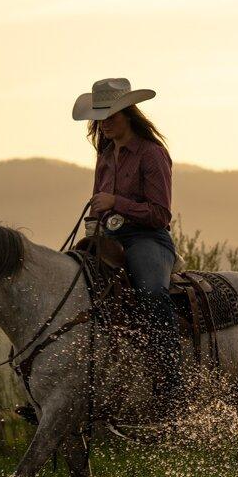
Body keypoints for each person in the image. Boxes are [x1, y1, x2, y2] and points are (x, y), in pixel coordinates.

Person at [72, 78, 182, 388]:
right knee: (72, 285)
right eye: (100, 118)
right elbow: (99, 202)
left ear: (128, 114)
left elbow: (160, 214)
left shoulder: (152, 154)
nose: (104, 124)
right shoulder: (105, 157)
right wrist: (95, 221)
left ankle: (170, 379)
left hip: (147, 238)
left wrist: (116, 203)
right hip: (107, 238)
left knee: (151, 291)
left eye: (111, 116)